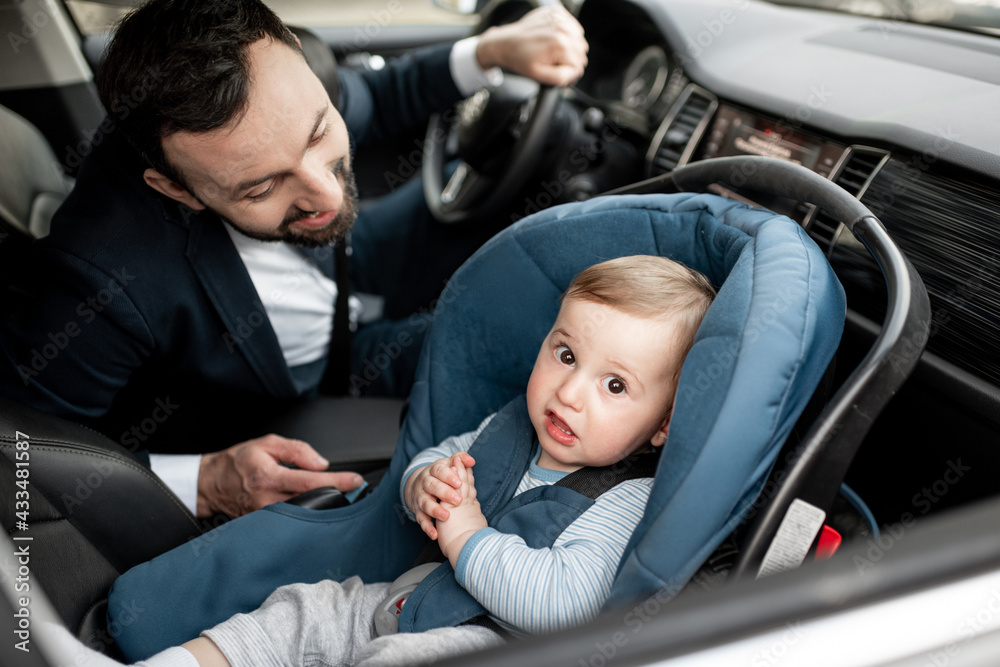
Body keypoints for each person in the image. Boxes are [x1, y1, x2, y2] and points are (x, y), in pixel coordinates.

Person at [0, 0, 589, 518]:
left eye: (318, 134)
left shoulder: (279, 83)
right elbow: (26, 458)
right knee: (520, 334)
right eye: (260, 188)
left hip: (338, 271)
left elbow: (378, 98)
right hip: (324, 378)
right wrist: (207, 481)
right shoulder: (97, 287)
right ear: (176, 188)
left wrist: (489, 51)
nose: (328, 195)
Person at [53, 255, 715, 667]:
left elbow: (558, 603)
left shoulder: (624, 497)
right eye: (566, 354)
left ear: (662, 425)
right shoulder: (511, 422)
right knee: (301, 609)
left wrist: (463, 533)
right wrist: (426, 483)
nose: (570, 391)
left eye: (615, 385)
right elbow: (436, 458)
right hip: (404, 595)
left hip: (492, 642)